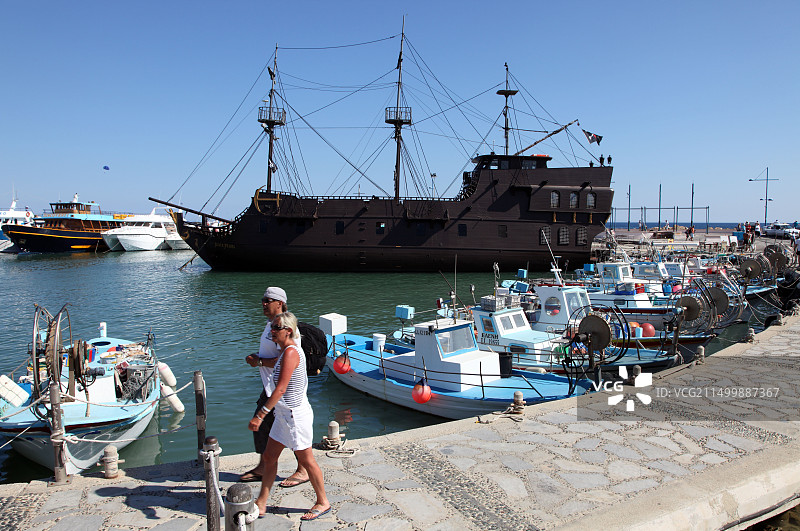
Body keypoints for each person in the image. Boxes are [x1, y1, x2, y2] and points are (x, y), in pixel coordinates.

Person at [249, 312, 330, 521]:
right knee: (269, 456)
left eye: (276, 328)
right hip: (284, 415)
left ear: (289, 331)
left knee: (308, 460)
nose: (272, 331)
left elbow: (281, 389)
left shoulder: (292, 353)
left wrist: (260, 415)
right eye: (272, 327)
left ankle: (322, 502)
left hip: (295, 417)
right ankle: (262, 502)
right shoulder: (285, 351)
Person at [239, 287, 309, 488]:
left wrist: (259, 362)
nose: (263, 303)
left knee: (285, 424)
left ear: (280, 303)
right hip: (271, 385)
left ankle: (303, 469)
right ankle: (264, 466)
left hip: (281, 389)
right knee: (270, 428)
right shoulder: (271, 324)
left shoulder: (285, 328)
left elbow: (286, 358)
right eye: (263, 299)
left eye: (268, 300)